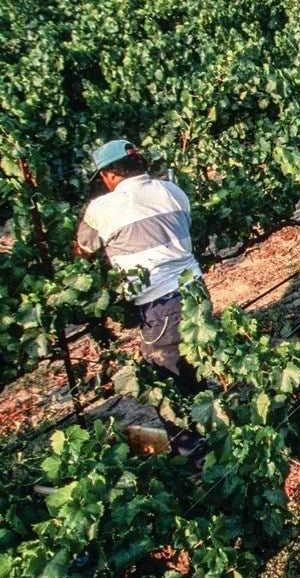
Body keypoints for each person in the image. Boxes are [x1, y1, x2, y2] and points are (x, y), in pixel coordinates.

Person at [75, 139, 204, 399]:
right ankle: (211, 428)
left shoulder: (102, 208)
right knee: (196, 367)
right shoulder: (172, 190)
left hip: (159, 303)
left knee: (170, 388)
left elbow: (83, 251)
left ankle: (190, 439)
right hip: (196, 290)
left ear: (109, 174)